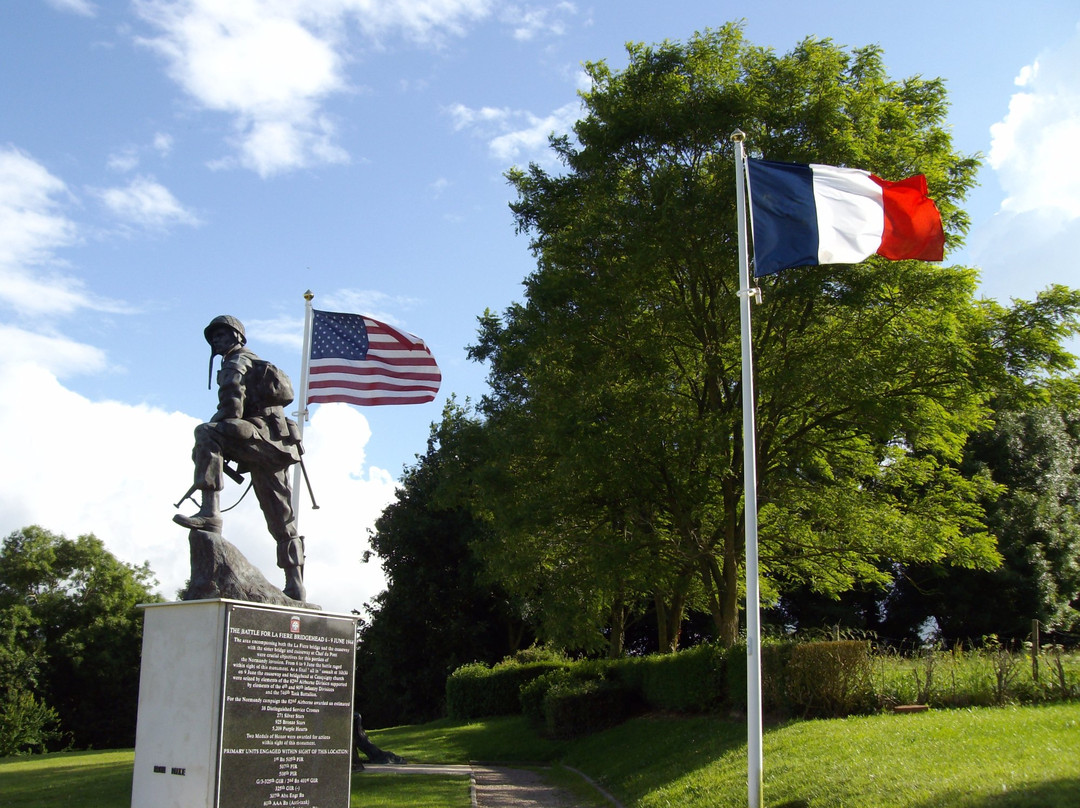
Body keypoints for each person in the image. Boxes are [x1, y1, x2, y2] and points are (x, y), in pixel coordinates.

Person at [174, 315, 307, 602]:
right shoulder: (252, 361)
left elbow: (232, 403)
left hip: (262, 437)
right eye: (214, 338)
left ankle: (210, 514)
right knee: (281, 517)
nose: (217, 341)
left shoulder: (236, 362)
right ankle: (296, 583)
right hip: (276, 445)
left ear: (237, 337)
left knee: (207, 433)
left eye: (222, 335)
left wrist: (220, 423)